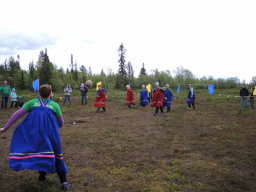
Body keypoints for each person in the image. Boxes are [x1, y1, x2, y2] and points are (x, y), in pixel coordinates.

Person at [0, 84, 70, 190]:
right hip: (51, 136)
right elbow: (61, 123)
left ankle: (42, 175)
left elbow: (16, 114)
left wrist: (5, 128)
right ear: (51, 93)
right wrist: (58, 125)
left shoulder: (32, 103)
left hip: (35, 135)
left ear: (39, 93)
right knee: (56, 154)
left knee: (41, 152)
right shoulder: (55, 105)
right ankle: (64, 182)